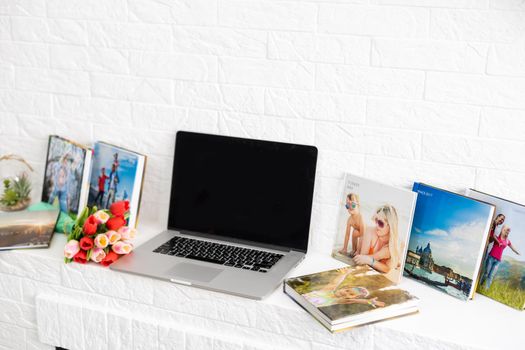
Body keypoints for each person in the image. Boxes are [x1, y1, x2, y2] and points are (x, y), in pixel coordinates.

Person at [302, 268, 385, 309]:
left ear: (353, 298)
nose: (346, 293)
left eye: (351, 294)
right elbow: (334, 283)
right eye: (347, 290)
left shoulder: (336, 300)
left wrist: (368, 301)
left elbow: (352, 300)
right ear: (344, 288)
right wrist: (344, 274)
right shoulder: (328, 291)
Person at [353, 204, 400, 274]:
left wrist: (370, 260)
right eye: (376, 220)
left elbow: (388, 269)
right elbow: (361, 260)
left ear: (390, 226)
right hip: (362, 242)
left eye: (381, 223)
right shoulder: (370, 232)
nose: (377, 225)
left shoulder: (392, 245)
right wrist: (375, 258)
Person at [480, 225, 520, 289]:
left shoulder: (507, 241)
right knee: (486, 273)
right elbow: (493, 234)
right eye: (506, 230)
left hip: (498, 261)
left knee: (491, 275)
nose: (507, 232)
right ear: (502, 230)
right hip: (491, 257)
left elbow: (512, 247)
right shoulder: (497, 237)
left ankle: (486, 289)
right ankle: (480, 285)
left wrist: (517, 252)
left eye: (508, 232)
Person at [338, 193, 365, 257]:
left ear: (358, 205)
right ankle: (354, 249)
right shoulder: (350, 220)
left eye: (352, 204)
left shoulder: (361, 217)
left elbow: (362, 235)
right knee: (355, 232)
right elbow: (347, 235)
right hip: (358, 234)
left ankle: (357, 250)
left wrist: (358, 251)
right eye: (347, 205)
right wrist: (345, 248)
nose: (350, 207)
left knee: (355, 232)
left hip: (366, 236)